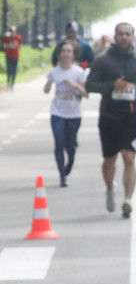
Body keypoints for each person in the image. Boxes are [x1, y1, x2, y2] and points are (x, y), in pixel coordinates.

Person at [85, 22, 136, 218]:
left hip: (131, 118)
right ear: (115, 37)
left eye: (127, 34)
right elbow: (89, 85)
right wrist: (111, 86)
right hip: (108, 117)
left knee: (128, 157)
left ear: (133, 37)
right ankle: (109, 189)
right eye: (120, 34)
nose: (124, 37)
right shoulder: (103, 61)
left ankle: (127, 200)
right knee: (109, 160)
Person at [44, 41, 88, 187]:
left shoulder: (78, 72)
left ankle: (69, 164)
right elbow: (46, 91)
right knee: (59, 142)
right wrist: (49, 82)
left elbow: (86, 94)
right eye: (63, 51)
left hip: (74, 113)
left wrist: (74, 85)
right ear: (59, 54)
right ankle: (62, 175)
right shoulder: (54, 71)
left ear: (73, 55)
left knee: (70, 145)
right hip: (57, 112)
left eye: (69, 51)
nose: (66, 54)